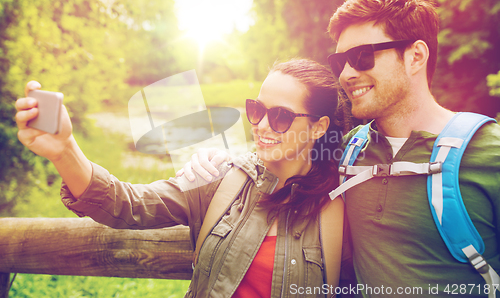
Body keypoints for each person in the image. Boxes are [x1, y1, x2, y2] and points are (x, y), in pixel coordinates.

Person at [179, 0, 500, 297]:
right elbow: (275, 149)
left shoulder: (489, 155)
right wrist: (213, 160)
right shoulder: (344, 152)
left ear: (415, 56)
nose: (346, 73)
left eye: (362, 57)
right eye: (340, 61)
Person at [15, 59, 350, 297]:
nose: (261, 125)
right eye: (257, 110)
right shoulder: (219, 179)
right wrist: (64, 151)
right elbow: (127, 204)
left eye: (280, 117)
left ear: (319, 127)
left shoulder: (341, 206)